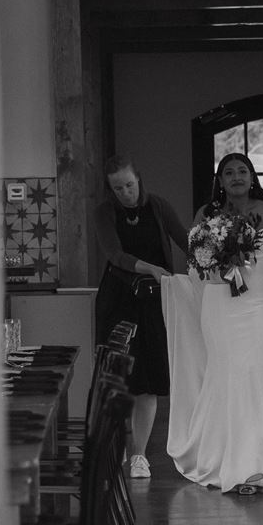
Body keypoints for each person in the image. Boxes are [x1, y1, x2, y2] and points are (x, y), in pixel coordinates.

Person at [161, 152, 263, 497]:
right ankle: (223, 459)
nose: (236, 176)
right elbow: (195, 266)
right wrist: (209, 272)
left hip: (258, 307)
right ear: (220, 181)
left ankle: (252, 467)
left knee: (253, 376)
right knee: (224, 376)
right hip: (218, 306)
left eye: (242, 170)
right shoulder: (206, 216)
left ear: (252, 177)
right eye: (228, 172)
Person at [92, 155, 191, 478]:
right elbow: (114, 254)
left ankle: (139, 455)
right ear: (110, 190)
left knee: (147, 381)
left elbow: (185, 240)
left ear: (140, 180)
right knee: (119, 377)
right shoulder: (104, 212)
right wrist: (149, 268)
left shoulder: (158, 206)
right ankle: (117, 443)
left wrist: (211, 257)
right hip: (118, 300)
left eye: (130, 185)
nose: (125, 193)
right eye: (118, 188)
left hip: (153, 301)